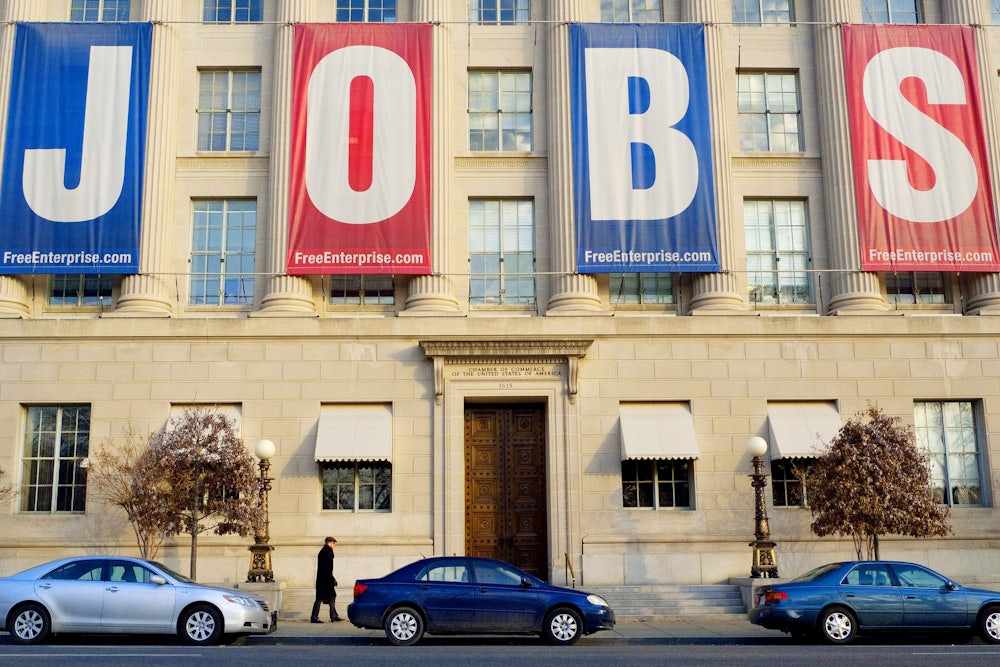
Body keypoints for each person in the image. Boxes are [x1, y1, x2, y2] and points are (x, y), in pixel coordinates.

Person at [311, 536, 342, 622]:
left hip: (324, 579)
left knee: (332, 596)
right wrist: (332, 580)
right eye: (333, 543)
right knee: (320, 599)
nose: (334, 545)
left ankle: (333, 615)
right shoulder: (327, 552)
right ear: (329, 542)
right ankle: (314, 617)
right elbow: (327, 568)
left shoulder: (325, 551)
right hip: (325, 580)